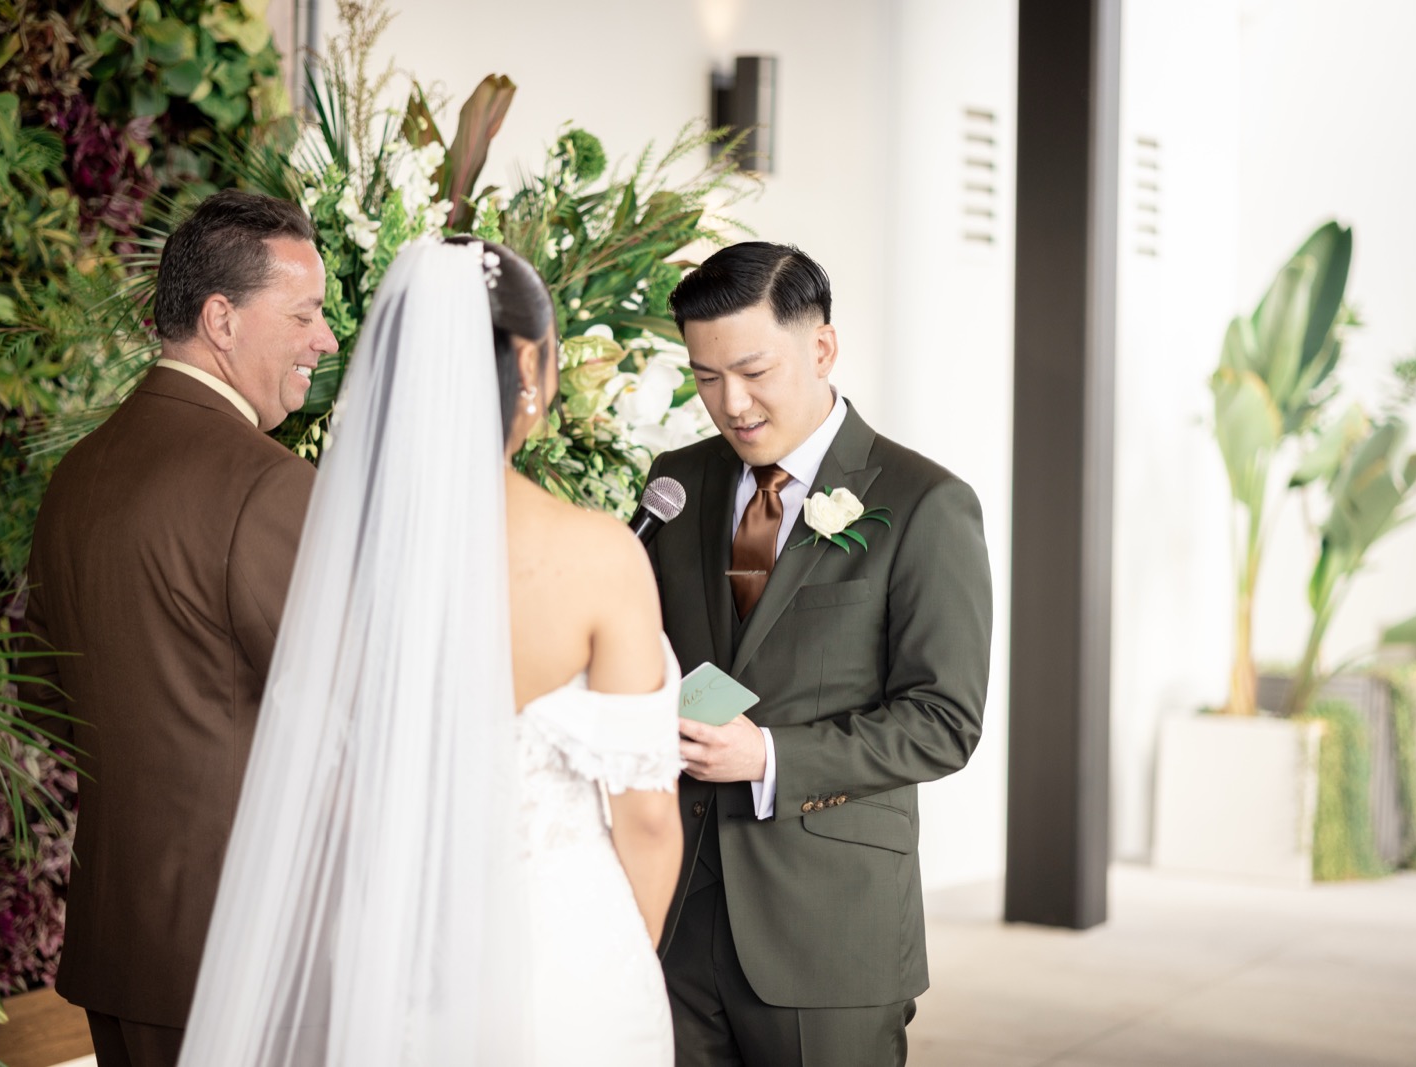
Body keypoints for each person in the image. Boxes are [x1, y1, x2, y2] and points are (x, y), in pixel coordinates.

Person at [177, 238, 684, 1066]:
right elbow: (651, 816)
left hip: (403, 965)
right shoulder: (599, 555)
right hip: (571, 963)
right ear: (532, 365)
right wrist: (625, 959)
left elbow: (333, 799)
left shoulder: (344, 562)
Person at [644, 242, 993, 1066]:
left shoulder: (925, 503)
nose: (731, 402)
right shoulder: (677, 482)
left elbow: (944, 721)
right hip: (679, 917)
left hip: (830, 927)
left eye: (754, 371)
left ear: (822, 347)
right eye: (704, 377)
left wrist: (767, 754)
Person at [18, 190, 339, 1067]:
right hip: (240, 949)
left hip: (118, 939)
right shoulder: (268, 485)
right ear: (221, 319)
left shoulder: (78, 472)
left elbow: (43, 700)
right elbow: (344, 716)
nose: (327, 339)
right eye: (306, 313)